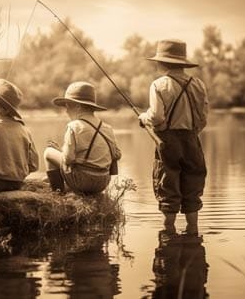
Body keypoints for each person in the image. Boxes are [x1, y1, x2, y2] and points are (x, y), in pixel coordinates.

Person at [138, 39, 208, 236]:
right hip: (193, 140)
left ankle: (168, 233)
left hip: (167, 143)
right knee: (193, 184)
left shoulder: (159, 85)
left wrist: (144, 117)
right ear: (182, 63)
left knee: (167, 184)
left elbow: (157, 116)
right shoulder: (199, 85)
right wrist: (190, 134)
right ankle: (192, 232)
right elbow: (203, 119)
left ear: (162, 63)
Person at [44, 81, 121, 194]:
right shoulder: (107, 128)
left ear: (78, 106)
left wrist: (61, 152)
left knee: (48, 152)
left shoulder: (73, 126)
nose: (66, 110)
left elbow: (68, 159)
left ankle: (57, 193)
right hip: (102, 183)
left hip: (82, 182)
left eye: (68, 105)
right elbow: (117, 154)